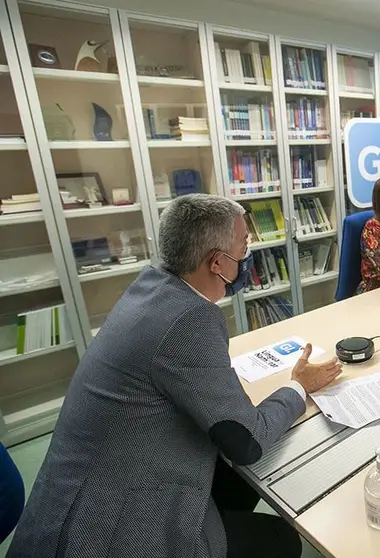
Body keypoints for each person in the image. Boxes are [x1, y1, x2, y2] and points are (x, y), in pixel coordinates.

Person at [8, 194, 342, 558]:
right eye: (244, 245)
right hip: (107, 533)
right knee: (281, 539)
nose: (248, 254)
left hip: (80, 499)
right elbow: (247, 441)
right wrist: (298, 386)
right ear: (217, 262)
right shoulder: (191, 319)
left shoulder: (151, 286)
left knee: (239, 478)